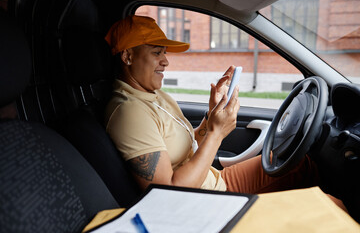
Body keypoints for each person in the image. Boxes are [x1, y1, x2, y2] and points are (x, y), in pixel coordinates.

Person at [104, 15, 346, 209]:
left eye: (165, 53)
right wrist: (217, 134)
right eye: (157, 53)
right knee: (335, 207)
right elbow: (168, 192)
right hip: (205, 205)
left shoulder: (154, 95)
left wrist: (211, 116)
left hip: (214, 182)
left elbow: (187, 143)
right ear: (127, 56)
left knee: (300, 165)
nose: (166, 61)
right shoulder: (129, 112)